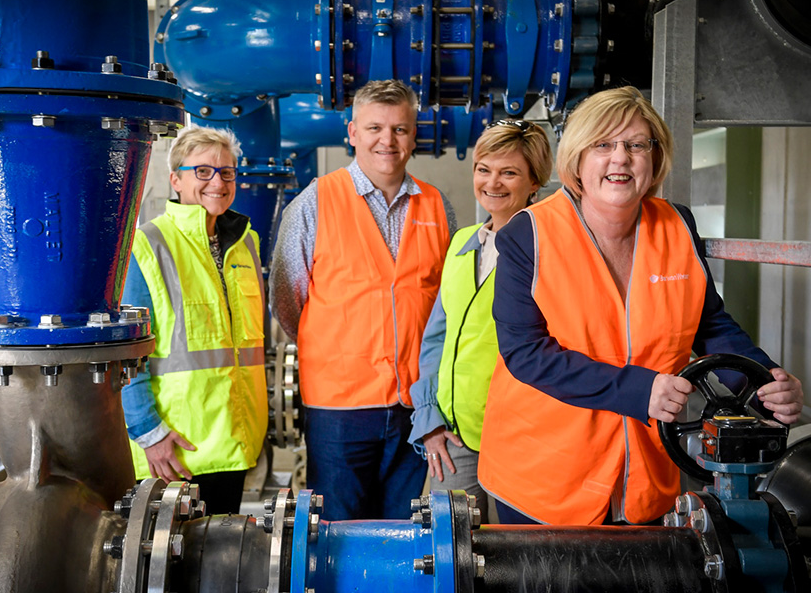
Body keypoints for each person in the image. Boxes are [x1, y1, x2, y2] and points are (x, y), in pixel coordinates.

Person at [477, 86, 804, 526]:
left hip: (647, 474)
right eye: (603, 144)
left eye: (636, 145)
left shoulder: (677, 226)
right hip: (544, 479)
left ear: (655, 157)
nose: (621, 158)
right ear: (577, 158)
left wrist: (764, 384)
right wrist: (638, 390)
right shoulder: (528, 234)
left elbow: (709, 324)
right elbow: (525, 353)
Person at [270, 79, 457, 521]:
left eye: (399, 129)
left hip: (414, 403)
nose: (386, 141)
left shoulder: (437, 206)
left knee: (403, 534)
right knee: (339, 533)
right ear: (352, 132)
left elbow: (444, 309)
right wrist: (335, 345)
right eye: (375, 128)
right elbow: (287, 300)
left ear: (415, 134)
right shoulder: (314, 202)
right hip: (339, 407)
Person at [408, 119, 553, 518]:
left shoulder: (550, 252)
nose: (493, 183)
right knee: (450, 559)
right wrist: (429, 419)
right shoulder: (462, 243)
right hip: (455, 439)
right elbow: (437, 338)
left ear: (534, 181)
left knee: (521, 561)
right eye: (484, 169)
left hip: (523, 438)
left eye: (509, 172)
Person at [121, 125, 268, 515]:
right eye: (202, 171)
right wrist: (149, 434)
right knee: (166, 571)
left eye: (227, 172)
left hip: (234, 445)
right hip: (175, 453)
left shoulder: (244, 244)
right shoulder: (147, 245)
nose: (217, 182)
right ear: (176, 180)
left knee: (221, 567)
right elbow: (123, 355)